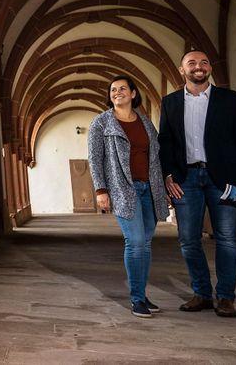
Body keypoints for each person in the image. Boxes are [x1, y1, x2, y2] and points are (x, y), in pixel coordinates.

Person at [158, 50, 236, 318]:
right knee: (188, 240)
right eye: (191, 63)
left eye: (203, 62)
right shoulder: (169, 103)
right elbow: (165, 143)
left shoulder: (231, 100)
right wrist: (167, 175)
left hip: (225, 180)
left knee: (227, 238)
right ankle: (202, 293)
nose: (198, 67)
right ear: (182, 70)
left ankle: (226, 297)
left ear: (209, 68)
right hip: (185, 179)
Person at [87, 75, 170, 319]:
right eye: (113, 89)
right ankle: (136, 299)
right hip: (123, 189)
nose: (117, 92)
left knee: (144, 244)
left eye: (123, 88)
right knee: (134, 241)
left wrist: (162, 186)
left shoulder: (145, 123)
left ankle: (142, 295)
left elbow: (155, 156)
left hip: (149, 188)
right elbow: (95, 158)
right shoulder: (101, 123)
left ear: (133, 94)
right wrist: (101, 190)